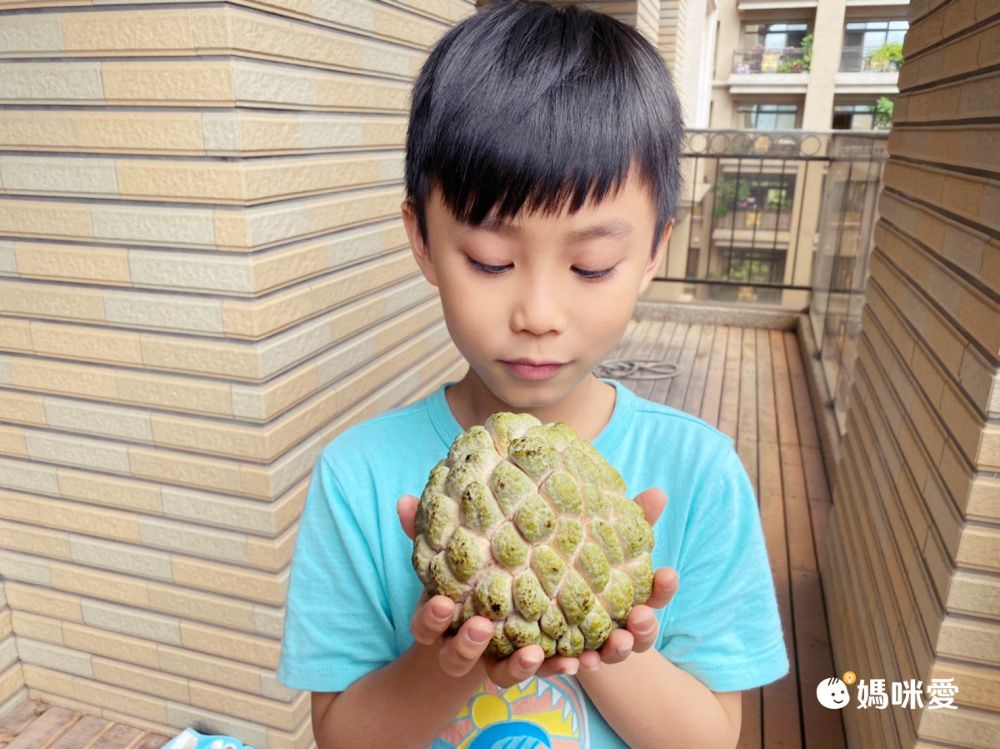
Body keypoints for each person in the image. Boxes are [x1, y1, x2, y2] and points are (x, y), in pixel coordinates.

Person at [277, 2, 789, 747]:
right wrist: (458, 652)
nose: (538, 312)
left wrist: (588, 613)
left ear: (652, 251)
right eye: (490, 260)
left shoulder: (701, 473)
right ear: (421, 236)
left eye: (591, 265)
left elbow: (711, 737)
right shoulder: (355, 479)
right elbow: (342, 737)